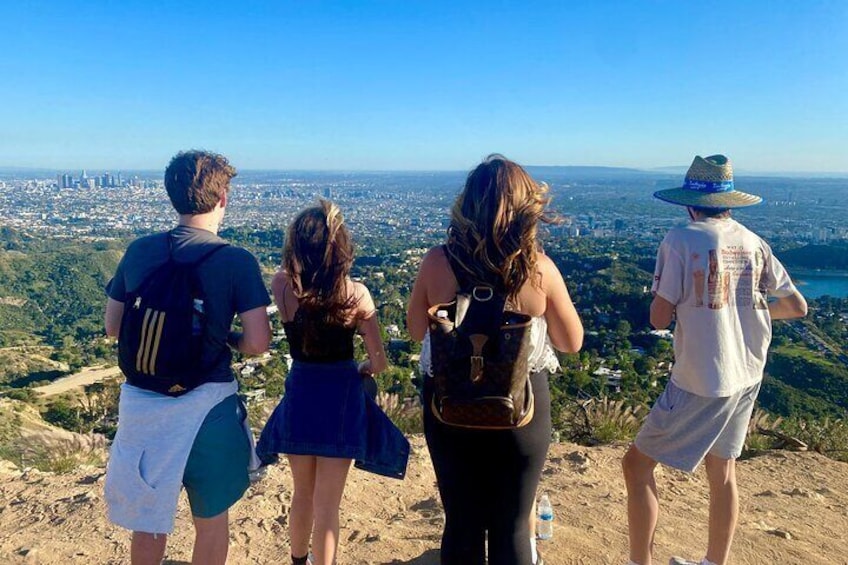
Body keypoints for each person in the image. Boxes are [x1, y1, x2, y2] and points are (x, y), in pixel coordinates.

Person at [622, 155, 808, 565]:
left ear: (689, 202)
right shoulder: (753, 241)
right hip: (747, 372)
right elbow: (796, 306)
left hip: (702, 376)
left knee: (635, 467)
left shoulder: (681, 238)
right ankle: (713, 563)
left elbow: (658, 317)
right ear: (729, 202)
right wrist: (744, 313)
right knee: (722, 472)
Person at [407, 155, 584, 565]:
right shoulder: (537, 268)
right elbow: (571, 342)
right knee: (512, 526)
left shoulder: (437, 262)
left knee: (462, 522)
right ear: (526, 209)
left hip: (448, 404)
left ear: (466, 206)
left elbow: (417, 331)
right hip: (520, 407)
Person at [103, 150, 272, 565]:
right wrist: (223, 336)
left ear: (172, 196)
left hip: (143, 405)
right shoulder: (235, 260)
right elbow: (258, 342)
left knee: (149, 523)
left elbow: (112, 327)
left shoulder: (140, 250)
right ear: (223, 198)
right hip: (207, 405)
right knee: (211, 523)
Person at [257, 200, 409, 565]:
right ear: (341, 248)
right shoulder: (356, 294)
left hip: (301, 394)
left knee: (301, 496)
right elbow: (379, 362)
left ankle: (297, 561)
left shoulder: (282, 286)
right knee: (328, 506)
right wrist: (362, 370)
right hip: (340, 399)